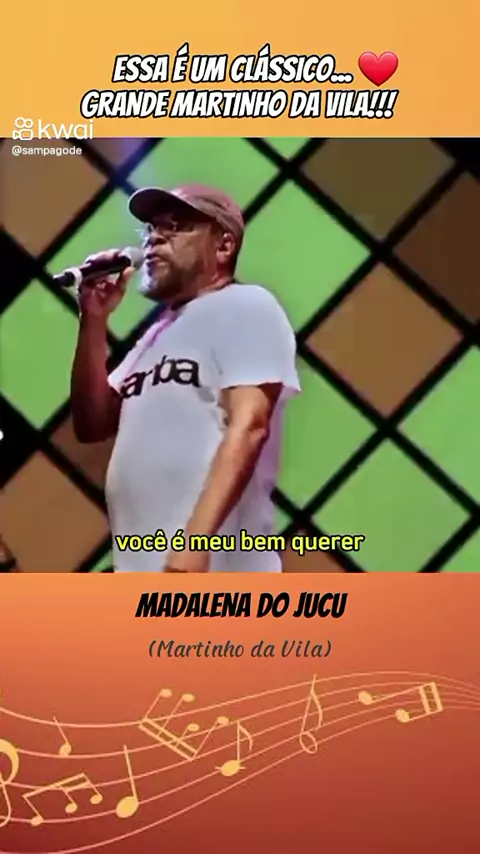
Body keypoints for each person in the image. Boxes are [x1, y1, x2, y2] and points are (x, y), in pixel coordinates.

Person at [71, 183, 300, 572]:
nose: (155, 237)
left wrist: (193, 547)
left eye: (175, 226)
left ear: (223, 246)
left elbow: (250, 427)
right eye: (151, 228)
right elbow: (92, 423)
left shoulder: (246, 305)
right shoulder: (155, 336)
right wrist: (93, 319)